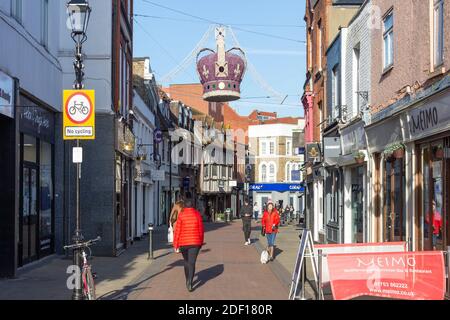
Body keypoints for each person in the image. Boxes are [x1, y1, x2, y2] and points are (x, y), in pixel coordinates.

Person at [173, 198, 204, 292]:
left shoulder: (181, 215)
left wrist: (176, 244)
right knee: (192, 262)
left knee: (186, 261)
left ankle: (187, 279)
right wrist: (201, 242)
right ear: (192, 205)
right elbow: (201, 230)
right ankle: (190, 282)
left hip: (183, 243)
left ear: (185, 206)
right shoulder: (197, 214)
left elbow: (177, 231)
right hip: (195, 242)